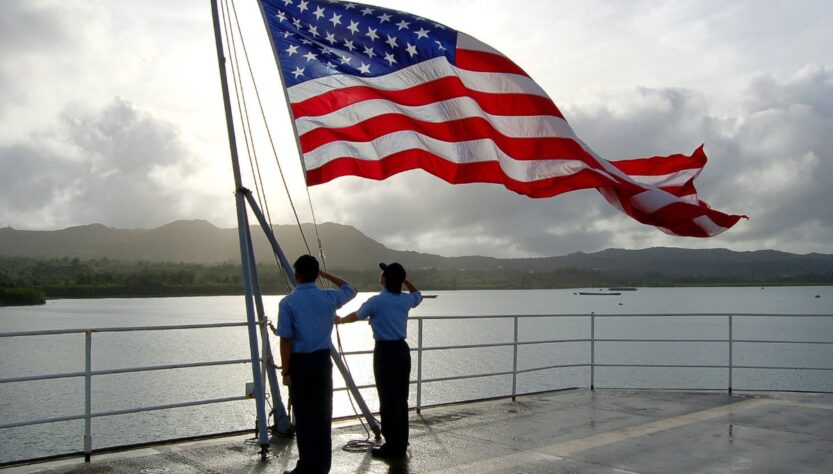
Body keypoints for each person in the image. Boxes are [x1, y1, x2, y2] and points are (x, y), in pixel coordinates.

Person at [273, 254, 357, 474]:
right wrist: (325, 274)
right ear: (316, 274)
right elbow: (350, 289)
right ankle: (322, 466)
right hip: (322, 362)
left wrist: (286, 371)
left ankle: (306, 466)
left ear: (296, 274)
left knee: (304, 416)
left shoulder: (288, 302)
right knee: (322, 414)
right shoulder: (329, 298)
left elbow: (286, 340)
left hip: (300, 364)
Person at [337, 262, 422, 460]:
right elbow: (418, 294)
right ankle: (401, 441)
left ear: (384, 279)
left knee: (388, 400)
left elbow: (356, 315)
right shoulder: (405, 300)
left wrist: (339, 320)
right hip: (402, 350)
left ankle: (392, 446)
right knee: (401, 399)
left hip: (385, 352)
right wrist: (404, 280)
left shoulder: (376, 301)